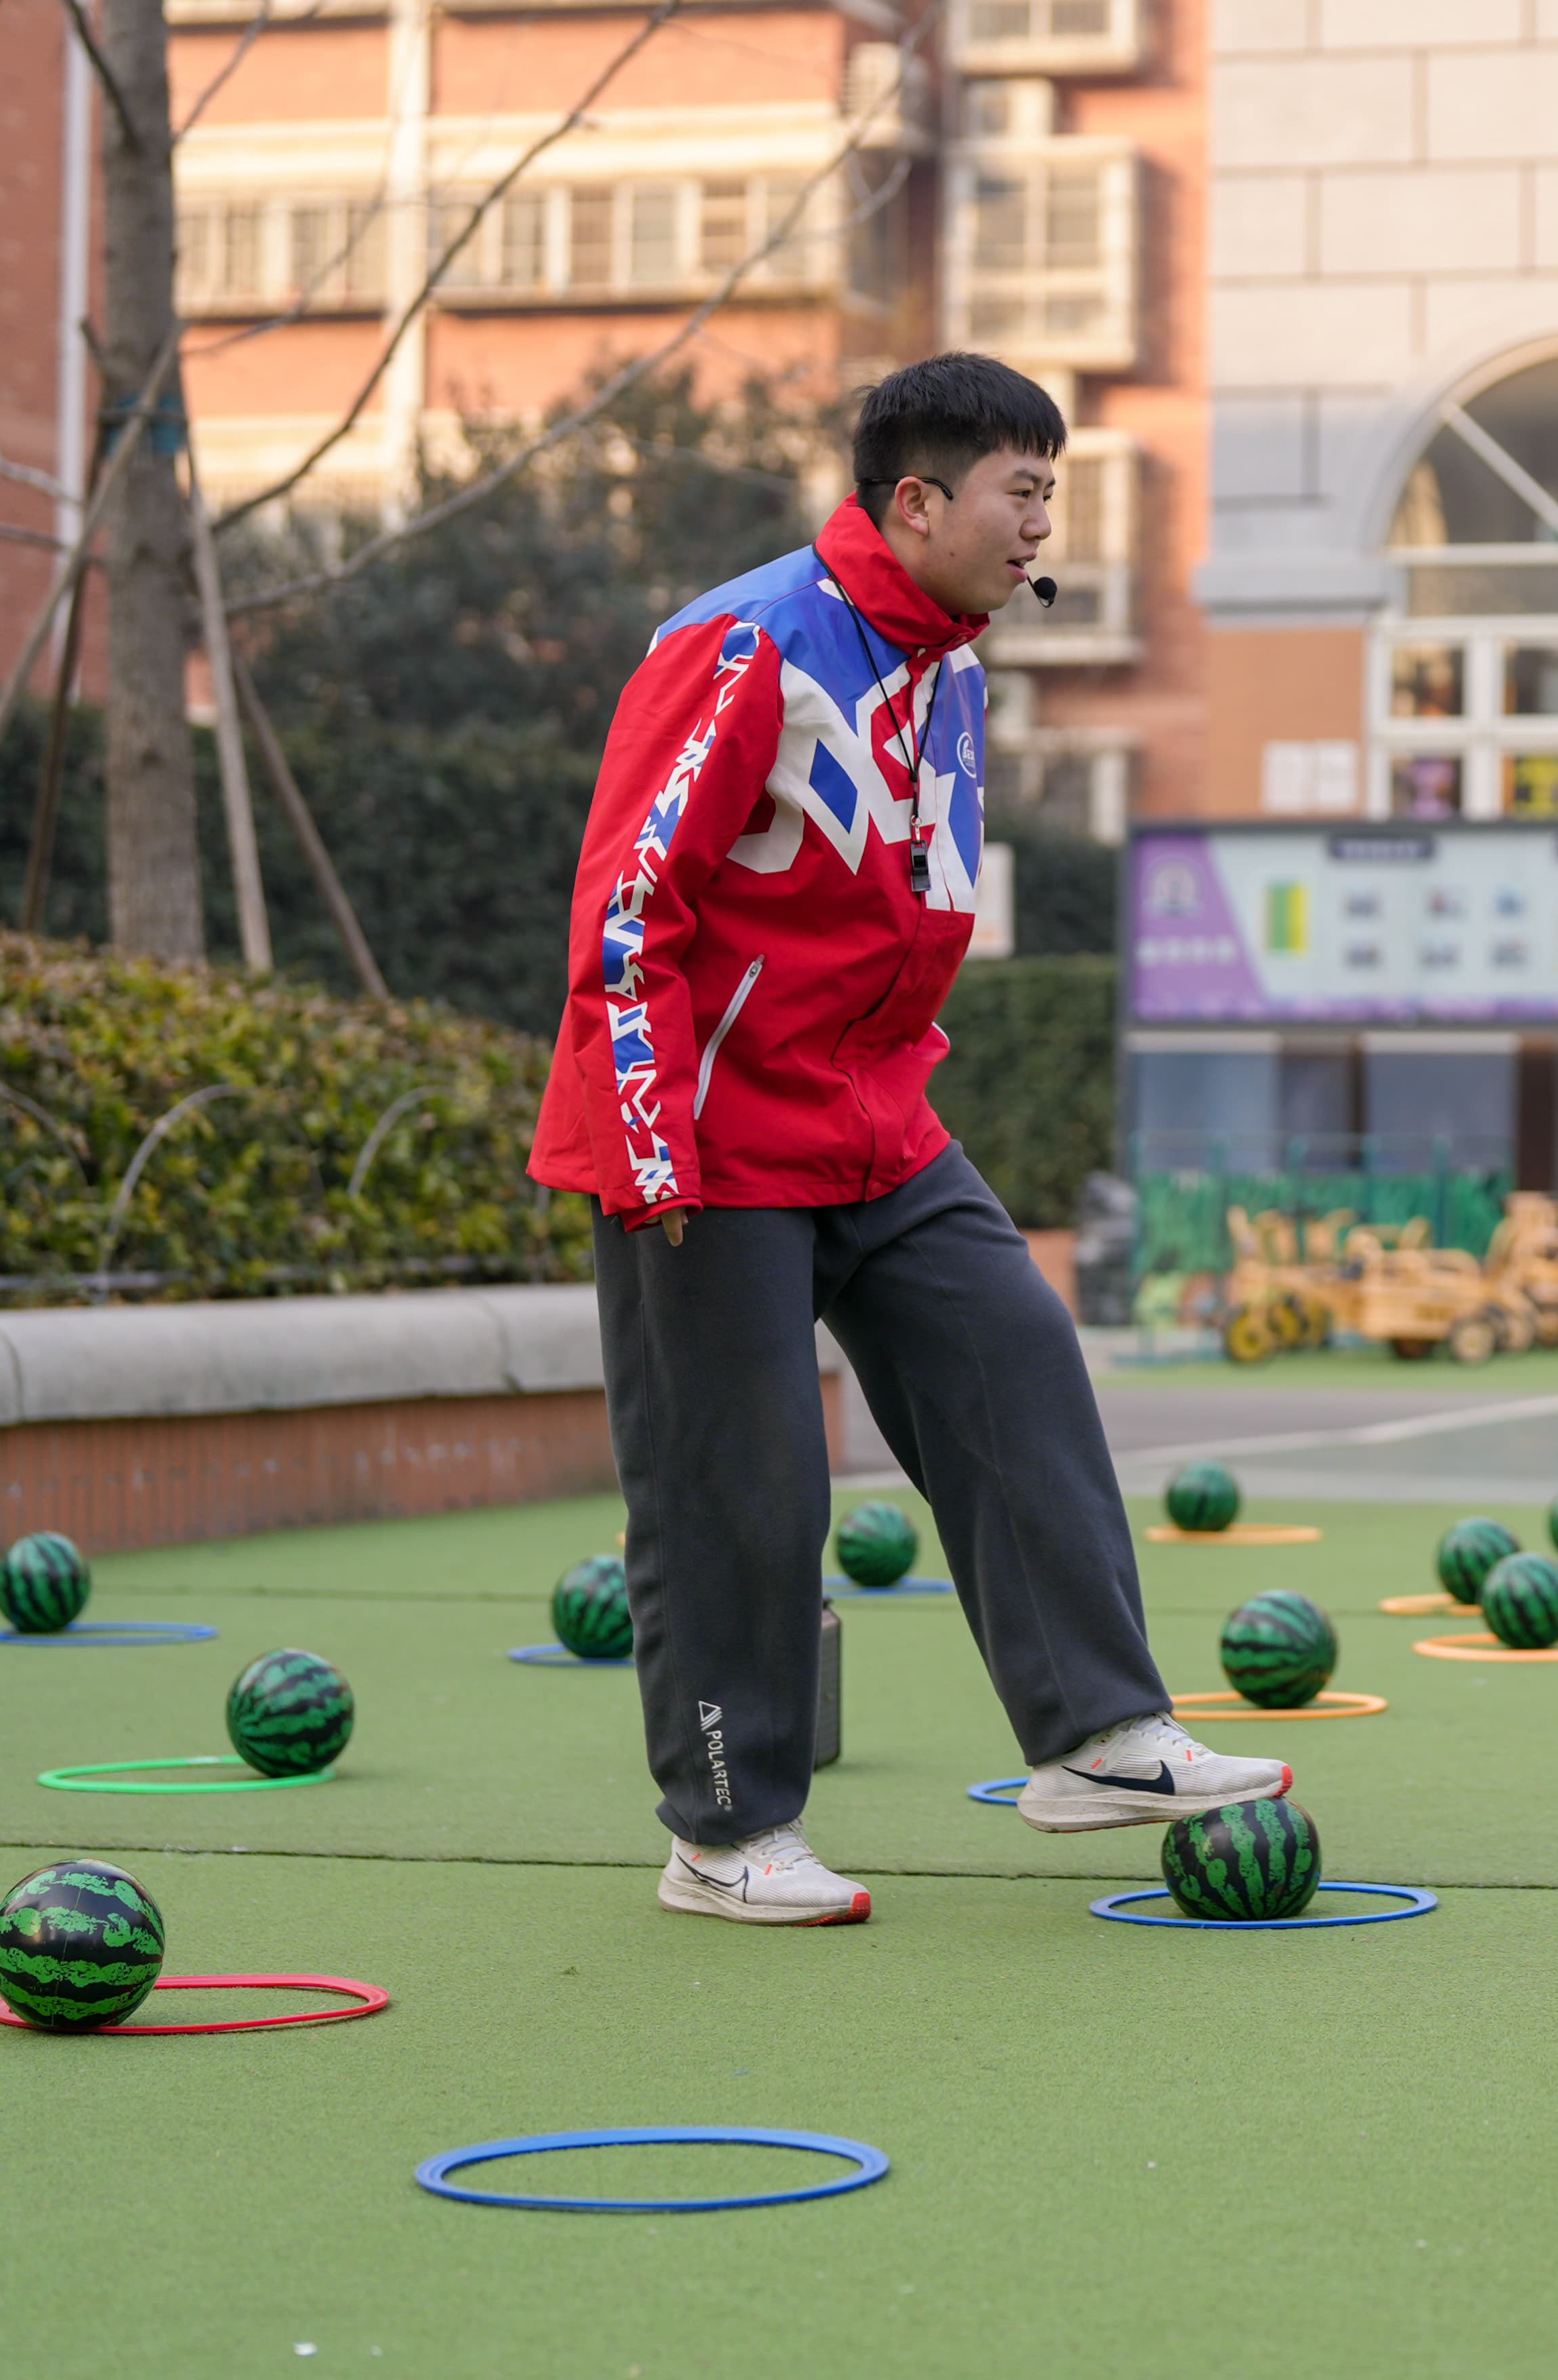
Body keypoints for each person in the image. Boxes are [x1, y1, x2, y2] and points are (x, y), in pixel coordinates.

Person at [532, 356, 1288, 1926]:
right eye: (1021, 490)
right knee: (743, 1483)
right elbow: (628, 902)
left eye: (1050, 495)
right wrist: (654, 1142)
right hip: (709, 1137)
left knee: (1015, 1351)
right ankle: (726, 1832)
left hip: (876, 1123)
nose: (1041, 523)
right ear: (918, 499)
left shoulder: (952, 663)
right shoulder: (744, 642)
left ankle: (1095, 1733)